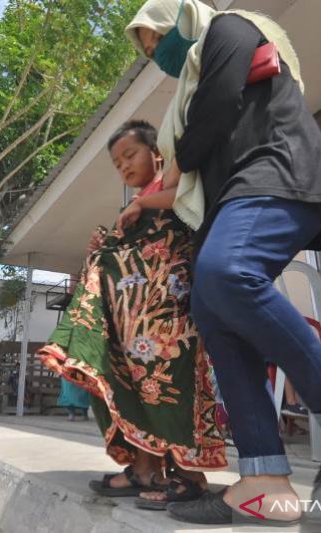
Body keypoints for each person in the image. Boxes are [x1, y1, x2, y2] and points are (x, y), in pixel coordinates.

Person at [125, 0, 321, 525]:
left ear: (179, 16)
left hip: (276, 171)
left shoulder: (229, 27)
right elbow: (200, 129)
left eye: (157, 37)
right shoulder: (191, 82)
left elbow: (218, 105)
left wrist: (174, 166)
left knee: (228, 273)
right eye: (147, 50)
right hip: (233, 197)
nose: (157, 53)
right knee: (213, 311)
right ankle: (265, 480)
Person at [38, 120, 227, 511]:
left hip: (171, 319)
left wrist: (141, 206)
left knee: (171, 392)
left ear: (156, 153)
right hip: (134, 327)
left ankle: (190, 476)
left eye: (130, 154)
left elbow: (188, 204)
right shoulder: (135, 206)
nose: (123, 166)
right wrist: (104, 246)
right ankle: (144, 469)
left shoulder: (177, 185)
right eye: (116, 162)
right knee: (134, 393)